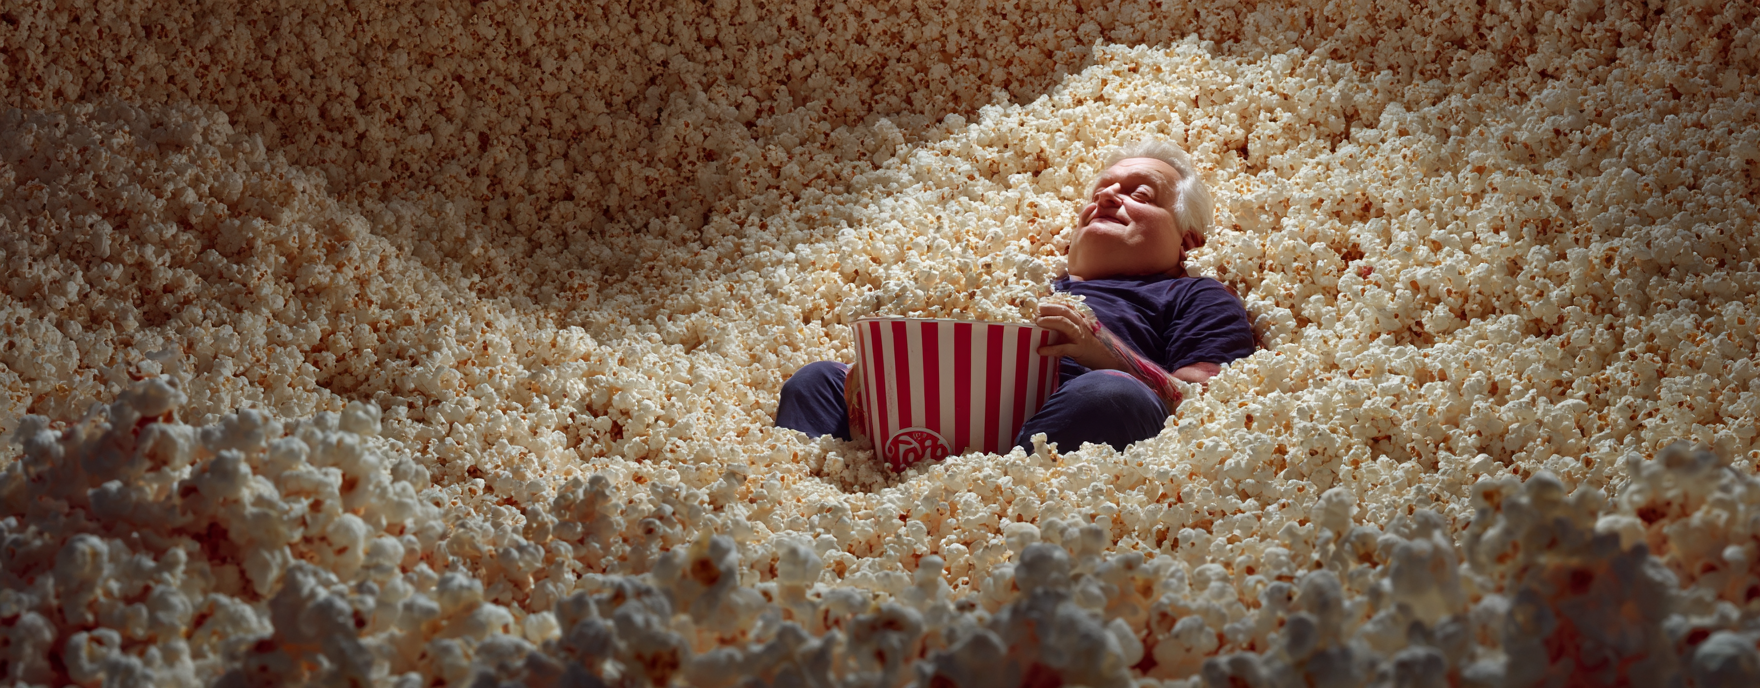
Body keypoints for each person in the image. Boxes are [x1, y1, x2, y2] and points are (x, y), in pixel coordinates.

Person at [777, 140, 1256, 455]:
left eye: (1141, 195)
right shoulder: (1023, 284)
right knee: (817, 381)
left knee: (1113, 395)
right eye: (1100, 192)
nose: (1108, 199)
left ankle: (1001, 496)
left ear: (1188, 241)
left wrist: (1105, 350)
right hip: (949, 418)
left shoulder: (1195, 294)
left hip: (1065, 430)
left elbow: (1206, 402)